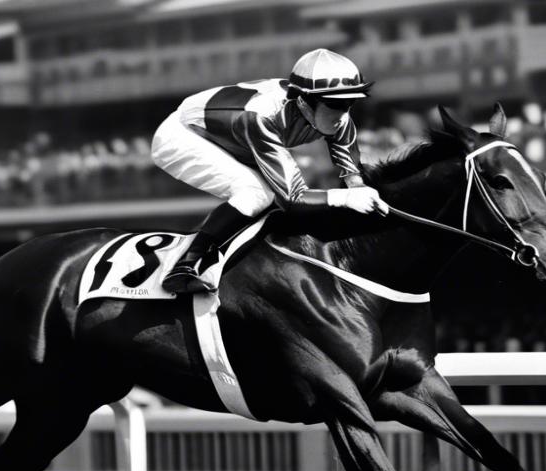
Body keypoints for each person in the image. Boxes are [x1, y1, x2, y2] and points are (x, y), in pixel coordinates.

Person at [151, 48, 390, 293]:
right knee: (257, 194)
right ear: (303, 102)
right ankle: (183, 266)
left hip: (235, 139)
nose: (342, 113)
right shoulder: (262, 115)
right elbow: (293, 198)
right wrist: (346, 198)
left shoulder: (336, 117)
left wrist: (360, 189)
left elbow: (351, 170)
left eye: (350, 102)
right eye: (335, 103)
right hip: (183, 135)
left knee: (271, 197)